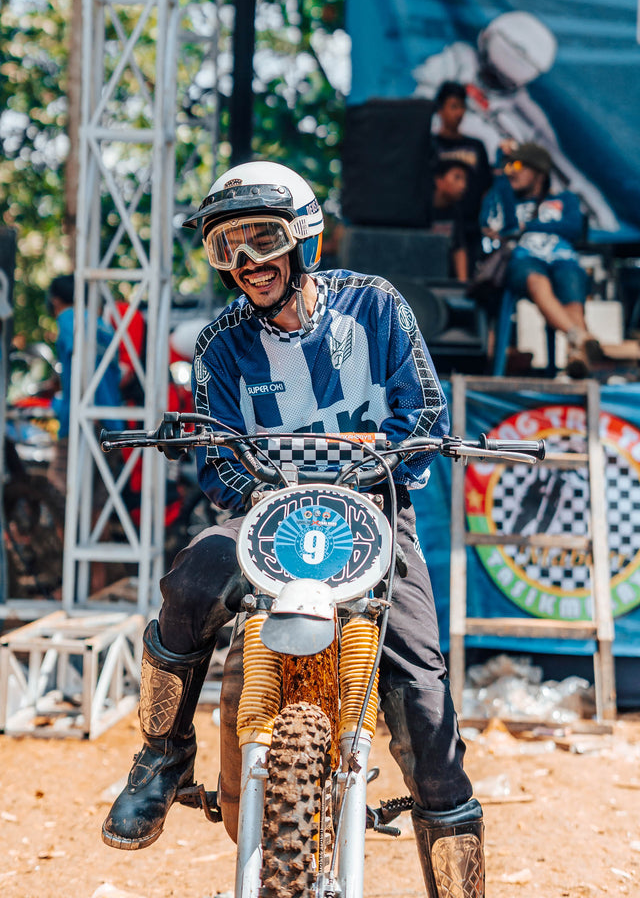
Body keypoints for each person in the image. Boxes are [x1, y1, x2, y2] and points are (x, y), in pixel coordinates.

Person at [101, 161, 485, 896]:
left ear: (304, 237)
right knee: (189, 581)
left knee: (426, 708)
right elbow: (219, 465)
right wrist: (273, 490)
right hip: (268, 518)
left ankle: (459, 882)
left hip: (373, 517)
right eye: (227, 246)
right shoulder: (217, 346)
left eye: (263, 239)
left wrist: (370, 470)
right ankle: (161, 755)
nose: (247, 261)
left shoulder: (375, 305)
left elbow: (425, 413)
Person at [413, 11, 618, 233]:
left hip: (480, 198)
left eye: (499, 78)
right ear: (485, 39)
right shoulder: (456, 61)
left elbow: (560, 168)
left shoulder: (525, 116)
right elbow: (416, 110)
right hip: (428, 181)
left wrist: (601, 220)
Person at [480, 142, 602, 378]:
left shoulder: (565, 198)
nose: (512, 172)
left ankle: (577, 354)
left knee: (572, 291)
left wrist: (529, 226)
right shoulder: (508, 199)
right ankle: (580, 337)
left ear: (539, 173)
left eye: (519, 166)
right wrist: (501, 160)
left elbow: (573, 228)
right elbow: (503, 225)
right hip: (525, 261)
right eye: (510, 166)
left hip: (563, 259)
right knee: (538, 281)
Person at [47, 274, 123, 493]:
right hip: (112, 422)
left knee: (59, 491)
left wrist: (88, 406)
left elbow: (78, 360)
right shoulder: (101, 324)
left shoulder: (68, 318)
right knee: (98, 500)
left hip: (85, 420)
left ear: (55, 300)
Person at [433, 80, 492, 271]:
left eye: (462, 107)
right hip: (438, 227)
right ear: (440, 110)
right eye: (453, 106)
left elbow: (486, 186)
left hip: (471, 228)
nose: (459, 113)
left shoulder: (476, 146)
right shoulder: (430, 145)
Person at [430, 158, 471, 281]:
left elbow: (459, 248)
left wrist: (462, 285)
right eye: (457, 177)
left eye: (465, 179)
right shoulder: (419, 208)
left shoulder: (455, 211)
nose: (463, 185)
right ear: (439, 180)